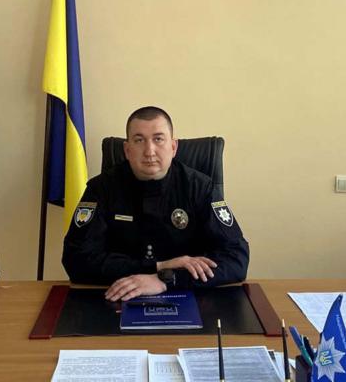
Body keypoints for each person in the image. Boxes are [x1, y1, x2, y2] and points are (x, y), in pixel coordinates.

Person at [62, 106, 250, 301]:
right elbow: (75, 259)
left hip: (189, 295)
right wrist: (158, 267)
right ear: (127, 150)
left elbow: (237, 258)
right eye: (139, 140)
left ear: (173, 147)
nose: (149, 151)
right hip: (118, 295)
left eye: (158, 139)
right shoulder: (101, 188)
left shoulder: (200, 188)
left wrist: (167, 279)